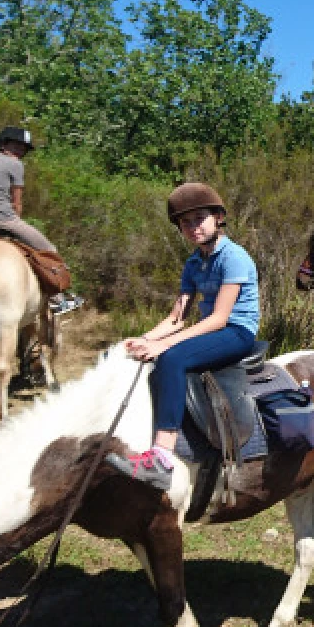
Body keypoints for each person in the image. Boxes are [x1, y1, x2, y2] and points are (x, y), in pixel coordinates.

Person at [105, 183, 260, 490]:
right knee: (143, 355)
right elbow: (177, 317)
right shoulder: (193, 263)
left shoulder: (234, 257)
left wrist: (163, 345)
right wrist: (142, 338)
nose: (193, 227)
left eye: (199, 218)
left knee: (172, 358)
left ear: (217, 218)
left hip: (236, 330)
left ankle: (162, 458)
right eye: (185, 223)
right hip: (213, 328)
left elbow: (219, 318)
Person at [0, 125, 82, 313]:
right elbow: (17, 202)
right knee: (49, 250)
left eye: (24, 148)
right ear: (4, 144)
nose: (21, 151)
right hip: (4, 220)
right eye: (17, 145)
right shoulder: (15, 165)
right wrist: (15, 223)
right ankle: (58, 300)